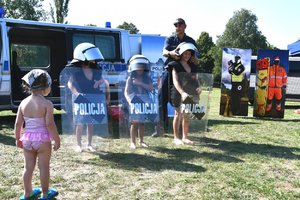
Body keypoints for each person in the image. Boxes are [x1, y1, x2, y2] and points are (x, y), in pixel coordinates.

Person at [14, 69, 60, 200]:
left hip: (27, 139)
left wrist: (18, 139)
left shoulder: (23, 103)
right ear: (46, 86)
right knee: (44, 167)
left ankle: (27, 193)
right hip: (43, 141)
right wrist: (57, 140)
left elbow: (18, 123)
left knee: (28, 168)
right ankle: (45, 194)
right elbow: (50, 124)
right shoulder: (47, 104)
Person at [154, 18, 198, 137]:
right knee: (161, 98)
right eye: (175, 25)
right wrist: (171, 53)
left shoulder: (191, 41)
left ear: (185, 26)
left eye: (180, 25)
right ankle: (160, 129)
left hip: (184, 73)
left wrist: (195, 59)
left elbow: (196, 57)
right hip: (169, 71)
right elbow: (164, 52)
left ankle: (185, 130)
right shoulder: (170, 38)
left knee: (186, 99)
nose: (177, 27)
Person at [67, 42, 108, 152]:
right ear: (83, 57)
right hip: (80, 99)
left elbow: (103, 80)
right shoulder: (75, 70)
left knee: (91, 122)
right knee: (80, 123)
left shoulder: (96, 69)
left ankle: (89, 144)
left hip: (93, 97)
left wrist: (98, 82)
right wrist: (76, 93)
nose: (94, 59)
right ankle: (78, 145)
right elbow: (70, 84)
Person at [167, 42, 201, 145]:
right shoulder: (175, 65)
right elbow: (175, 81)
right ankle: (176, 138)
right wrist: (182, 93)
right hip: (178, 94)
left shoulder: (192, 66)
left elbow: (196, 78)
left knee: (186, 115)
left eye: (189, 54)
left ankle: (185, 138)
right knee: (178, 114)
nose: (187, 56)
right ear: (181, 53)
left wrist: (199, 86)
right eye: (185, 53)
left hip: (190, 93)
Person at [124, 55, 154, 149]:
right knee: (135, 122)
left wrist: (140, 83)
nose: (140, 69)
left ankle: (141, 141)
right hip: (134, 100)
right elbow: (126, 92)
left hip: (145, 100)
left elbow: (150, 88)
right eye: (138, 67)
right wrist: (129, 100)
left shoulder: (147, 78)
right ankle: (132, 142)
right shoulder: (130, 79)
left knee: (142, 122)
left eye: (142, 67)